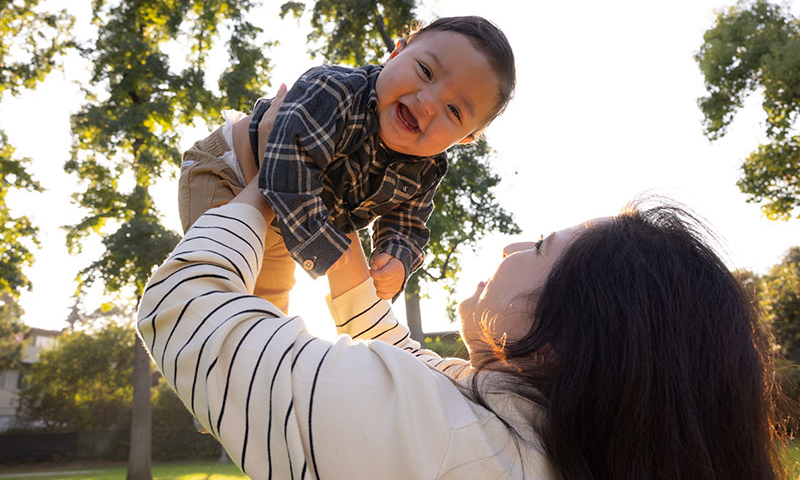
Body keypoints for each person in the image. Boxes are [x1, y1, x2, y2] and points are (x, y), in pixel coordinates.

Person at [138, 98, 783, 478]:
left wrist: (259, 186)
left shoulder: (454, 450)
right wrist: (326, 228)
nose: (509, 246)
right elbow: (408, 361)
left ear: (563, 342)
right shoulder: (530, 434)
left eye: (538, 248)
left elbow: (186, 312)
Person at [178, 15, 516, 313]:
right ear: (396, 53)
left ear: (464, 139)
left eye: (454, 110)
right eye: (426, 71)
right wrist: (328, 250)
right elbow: (290, 164)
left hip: (284, 224)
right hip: (228, 171)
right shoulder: (335, 91)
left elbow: (408, 222)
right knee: (219, 283)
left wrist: (396, 258)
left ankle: (253, 374)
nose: (427, 103)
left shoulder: (426, 169)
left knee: (267, 315)